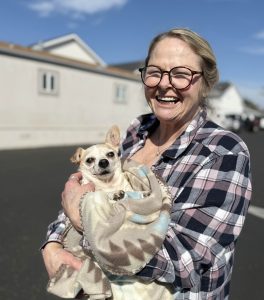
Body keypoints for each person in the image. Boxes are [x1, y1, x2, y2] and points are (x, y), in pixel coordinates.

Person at [42, 28, 252, 299]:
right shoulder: (136, 132)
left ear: (206, 84)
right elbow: (78, 193)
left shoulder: (223, 152)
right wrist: (53, 243)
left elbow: (184, 260)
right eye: (155, 72)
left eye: (181, 74)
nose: (165, 84)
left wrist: (83, 222)